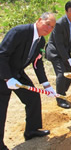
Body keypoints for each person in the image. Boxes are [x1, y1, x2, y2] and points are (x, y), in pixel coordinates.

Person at [0, 13, 57, 150]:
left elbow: (37, 64)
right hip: (3, 73)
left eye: (52, 27)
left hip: (18, 74)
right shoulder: (19, 32)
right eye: (47, 24)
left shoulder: (41, 41)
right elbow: (1, 55)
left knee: (33, 98)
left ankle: (32, 130)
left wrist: (46, 85)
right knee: (1, 109)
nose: (49, 28)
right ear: (39, 20)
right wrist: (7, 78)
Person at [45, 0, 71, 109]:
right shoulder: (59, 23)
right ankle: (60, 99)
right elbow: (58, 43)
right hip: (55, 51)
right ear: (66, 11)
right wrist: (67, 58)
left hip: (65, 50)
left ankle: (61, 92)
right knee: (61, 74)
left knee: (70, 73)